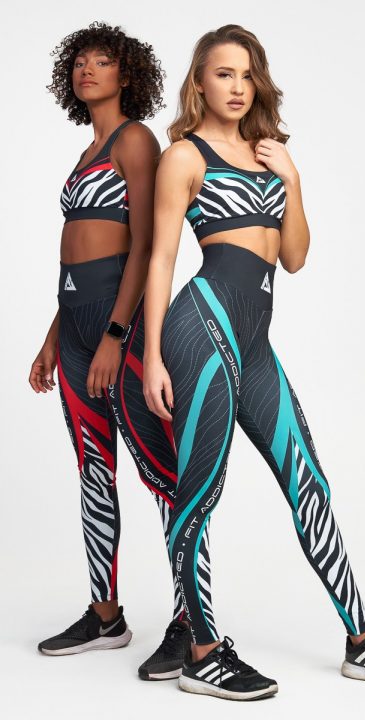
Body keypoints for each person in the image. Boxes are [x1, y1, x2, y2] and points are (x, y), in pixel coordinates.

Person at [143, 23, 365, 701]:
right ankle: (202, 652)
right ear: (200, 82)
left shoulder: (270, 156)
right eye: (223, 73)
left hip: (255, 342)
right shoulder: (184, 156)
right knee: (201, 491)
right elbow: (161, 259)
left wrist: (293, 177)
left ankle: (362, 640)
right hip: (201, 329)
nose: (236, 86)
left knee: (308, 477)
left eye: (246, 74)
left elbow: (294, 257)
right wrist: (152, 356)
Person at [29, 21, 191, 676]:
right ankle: (106, 615)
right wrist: (53, 337)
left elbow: (147, 245)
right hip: (74, 323)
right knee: (93, 470)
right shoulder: (86, 152)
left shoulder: (135, 140)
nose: (87, 70)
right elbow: (76, 256)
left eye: (102, 61)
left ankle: (191, 620)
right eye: (79, 62)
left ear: (127, 75)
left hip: (116, 326)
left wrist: (117, 336)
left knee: (164, 474)